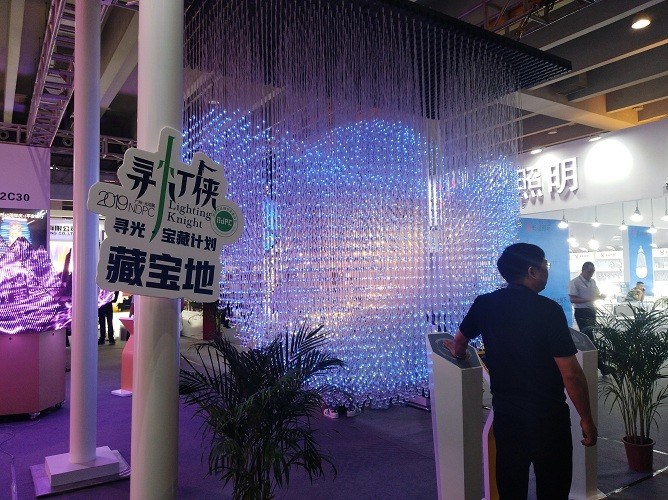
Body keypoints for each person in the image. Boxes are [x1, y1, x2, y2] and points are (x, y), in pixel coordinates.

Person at [445, 243, 597, 499]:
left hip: (507, 416)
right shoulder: (548, 310)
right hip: (548, 417)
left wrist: (458, 353)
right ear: (532, 271)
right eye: (545, 265)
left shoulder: (485, 304)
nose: (547, 270)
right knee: (553, 486)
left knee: (511, 485)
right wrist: (586, 418)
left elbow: (459, 341)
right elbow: (570, 373)